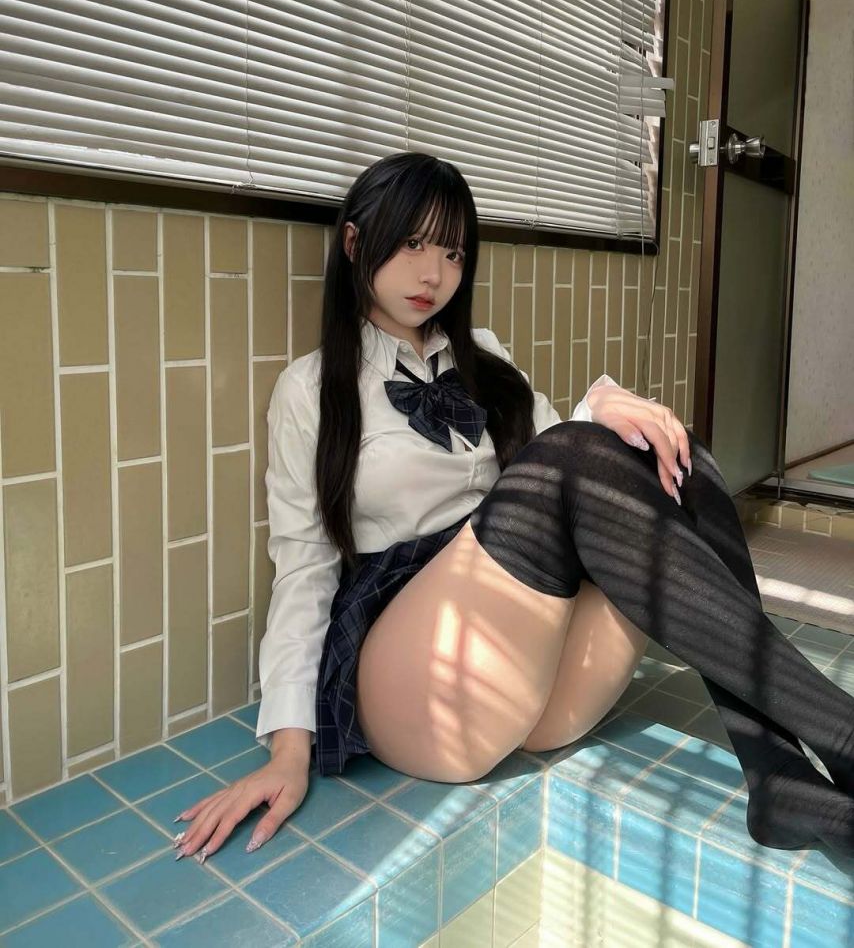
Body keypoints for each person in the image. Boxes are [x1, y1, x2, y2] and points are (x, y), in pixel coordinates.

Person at [172, 152, 854, 866]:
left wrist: (609, 402)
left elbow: (575, 463)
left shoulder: (484, 358)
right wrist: (288, 750)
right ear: (354, 243)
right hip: (412, 677)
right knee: (582, 455)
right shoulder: (310, 390)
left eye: (452, 252)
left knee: (674, 453)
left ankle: (775, 773)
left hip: (524, 674)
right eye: (412, 244)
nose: (433, 274)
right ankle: (839, 730)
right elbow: (304, 568)